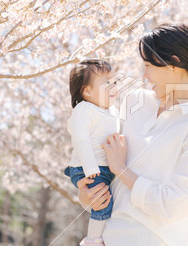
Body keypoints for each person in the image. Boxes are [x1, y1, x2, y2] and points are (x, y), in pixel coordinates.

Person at [77, 23, 188, 245]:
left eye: (148, 65)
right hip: (108, 240)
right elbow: (104, 163)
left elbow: (175, 204)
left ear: (173, 64)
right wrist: (88, 196)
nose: (145, 75)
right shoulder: (135, 102)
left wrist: (121, 170)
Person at [63, 59, 120, 246]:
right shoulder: (84, 109)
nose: (113, 86)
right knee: (103, 204)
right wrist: (90, 167)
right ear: (87, 91)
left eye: (115, 82)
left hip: (103, 168)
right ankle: (93, 241)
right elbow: (81, 139)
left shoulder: (112, 111)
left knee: (107, 201)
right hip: (88, 168)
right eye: (106, 83)